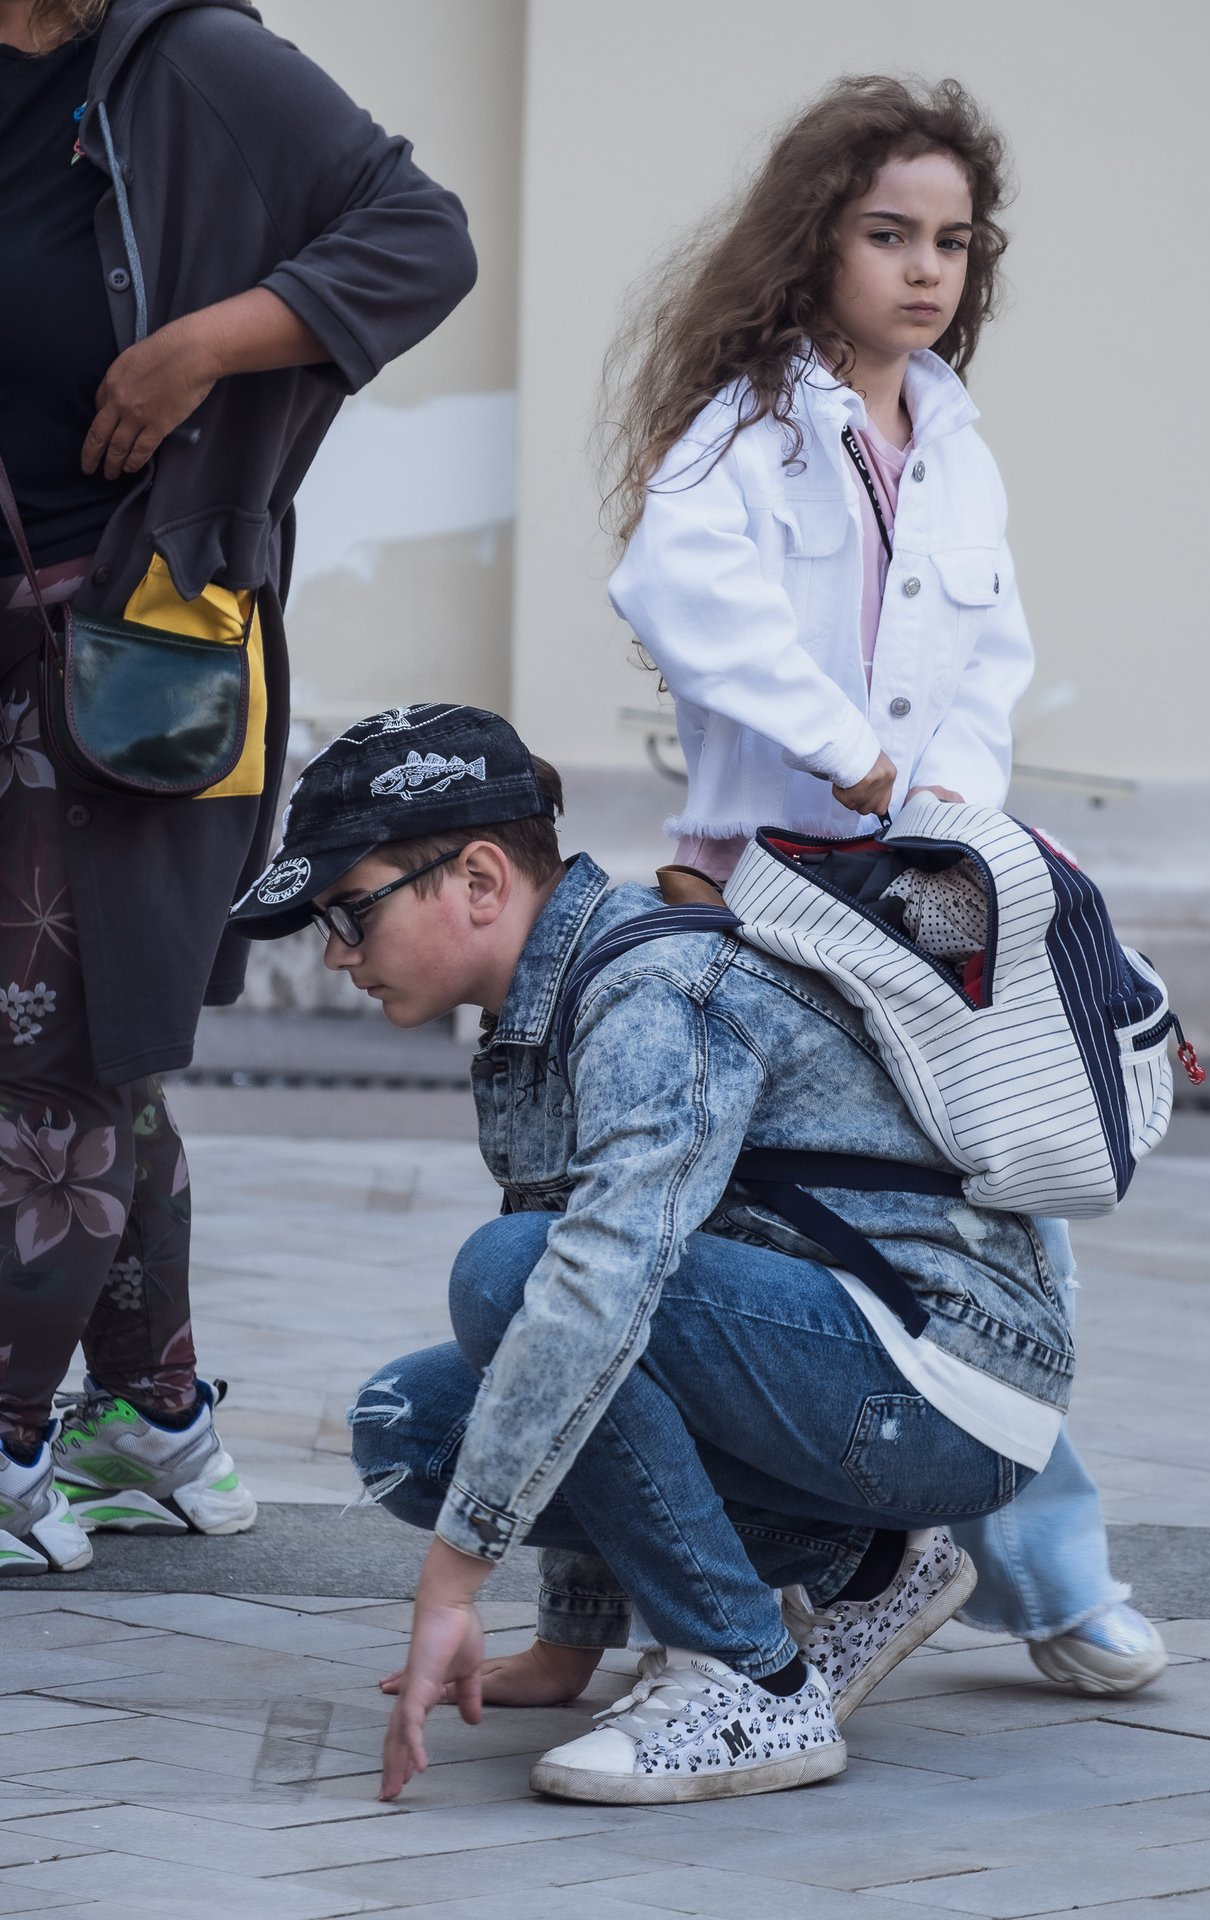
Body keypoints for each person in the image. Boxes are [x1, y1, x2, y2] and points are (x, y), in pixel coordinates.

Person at [228, 701, 1075, 1805]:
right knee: (413, 1430)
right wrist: (570, 1637)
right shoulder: (544, 1005)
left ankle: (749, 1682)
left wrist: (455, 1581)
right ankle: (865, 1567)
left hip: (945, 1383)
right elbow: (591, 1338)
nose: (339, 956)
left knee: (516, 1274)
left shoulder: (646, 992)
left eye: (352, 913)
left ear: (479, 881)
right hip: (838, 1374)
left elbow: (597, 1290)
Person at [604, 73, 1163, 1694]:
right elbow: (674, 582)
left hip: (926, 910)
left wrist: (953, 807)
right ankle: (692, 1600)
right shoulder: (753, 428)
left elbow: (991, 657)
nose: (927, 270)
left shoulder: (958, 444)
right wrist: (842, 748)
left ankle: (1059, 1584)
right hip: (761, 909)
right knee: (715, 1238)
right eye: (888, 234)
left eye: (954, 244)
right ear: (816, 240)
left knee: (996, 1220)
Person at [0, 0, 476, 1572]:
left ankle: (9, 1452)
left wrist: (212, 340)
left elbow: (421, 236)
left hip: (128, 655)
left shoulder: (192, 63)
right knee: (94, 1051)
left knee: (45, 1066)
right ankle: (151, 1421)